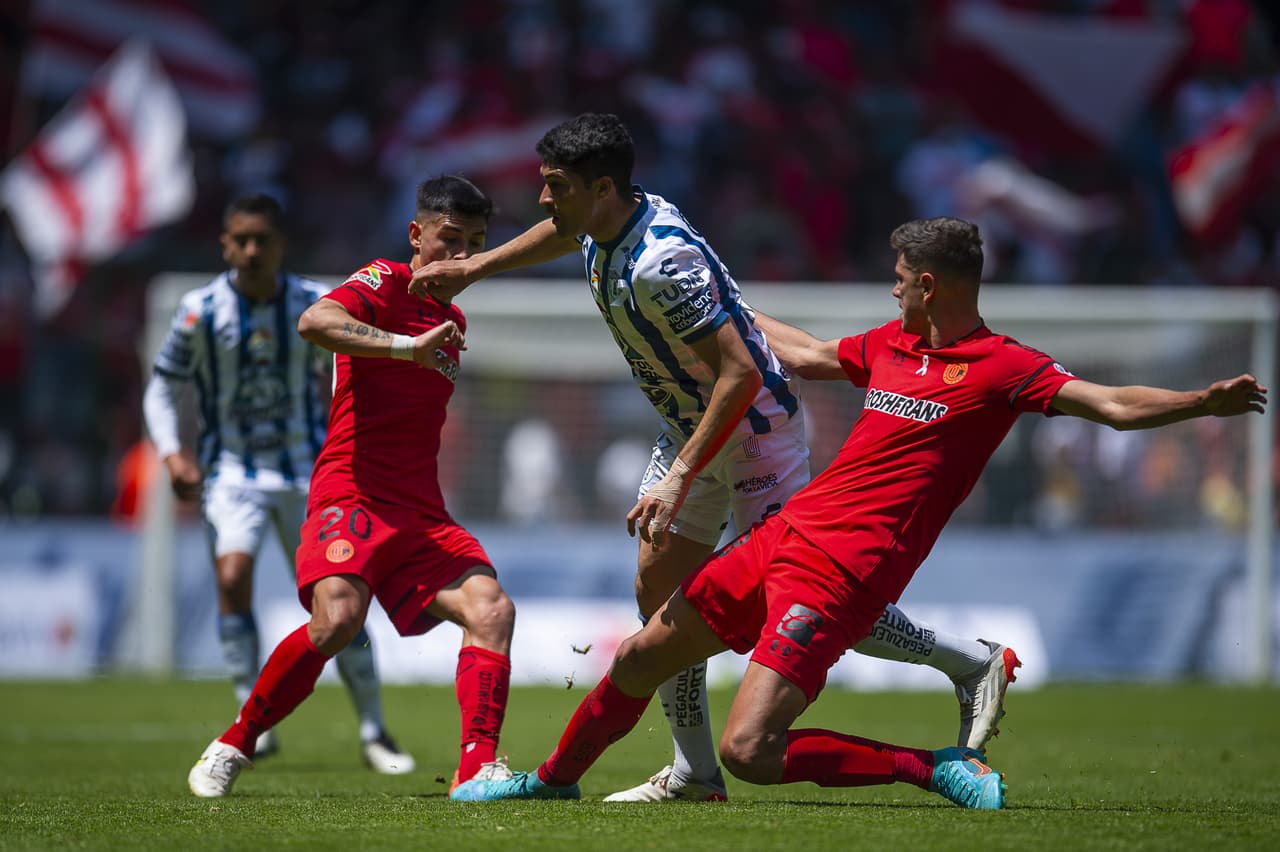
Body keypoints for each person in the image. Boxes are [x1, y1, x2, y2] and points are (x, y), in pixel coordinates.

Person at [448, 215, 1267, 807]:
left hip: (846, 572)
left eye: (899, 279)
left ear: (928, 285)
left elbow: (1113, 403)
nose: (892, 288)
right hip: (784, 535)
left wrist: (1202, 401)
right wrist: (717, 299)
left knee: (750, 753)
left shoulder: (1003, 369)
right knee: (638, 655)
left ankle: (932, 765)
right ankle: (549, 787)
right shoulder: (892, 344)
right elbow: (802, 354)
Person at [412, 113, 1020, 803]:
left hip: (754, 433)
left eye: (556, 186)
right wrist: (476, 268)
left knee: (798, 596)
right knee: (660, 600)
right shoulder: (602, 221)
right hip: (693, 428)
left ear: (602, 188)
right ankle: (694, 774)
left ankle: (967, 661)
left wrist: (676, 480)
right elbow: (561, 232)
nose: (545, 200)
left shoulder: (658, 263)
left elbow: (741, 376)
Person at [186, 176, 518, 798]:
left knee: (492, 609)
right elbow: (316, 320)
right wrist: (403, 347)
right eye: (451, 240)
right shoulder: (383, 281)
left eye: (476, 244)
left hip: (420, 512)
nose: (463, 256)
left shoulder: (453, 314)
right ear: (417, 235)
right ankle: (236, 741)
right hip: (352, 494)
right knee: (337, 619)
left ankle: (477, 771)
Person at [144, 194, 412, 773]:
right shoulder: (199, 311)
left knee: (342, 601)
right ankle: (250, 714)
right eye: (240, 240)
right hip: (231, 474)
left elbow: (357, 375)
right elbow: (162, 387)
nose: (250, 251)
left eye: (261, 240)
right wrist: (171, 454)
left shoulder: (316, 304)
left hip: (312, 475)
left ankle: (374, 729)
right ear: (224, 244)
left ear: (281, 244)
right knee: (234, 578)